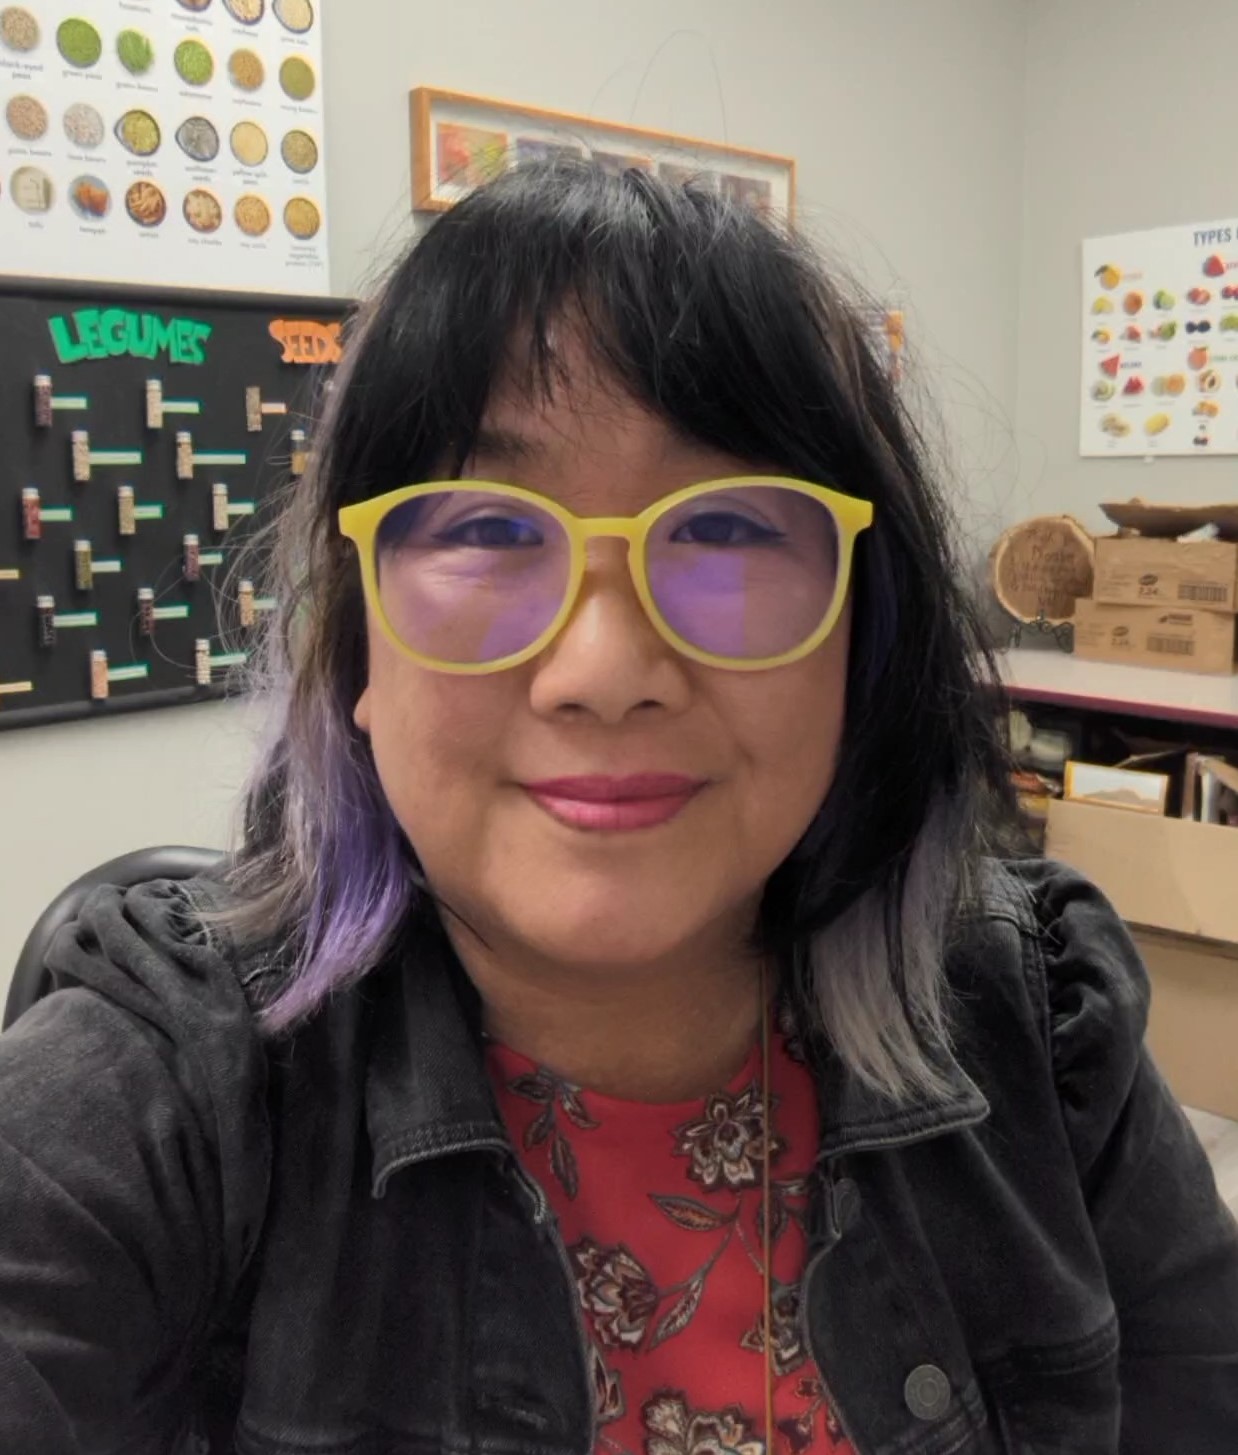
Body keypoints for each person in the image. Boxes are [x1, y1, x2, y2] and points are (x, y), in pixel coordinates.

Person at [1, 160, 1236, 1455]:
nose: (602, 671)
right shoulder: (167, 1093)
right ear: (358, 649)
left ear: (859, 637)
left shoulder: (1038, 1022)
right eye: (486, 532)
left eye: (726, 533)